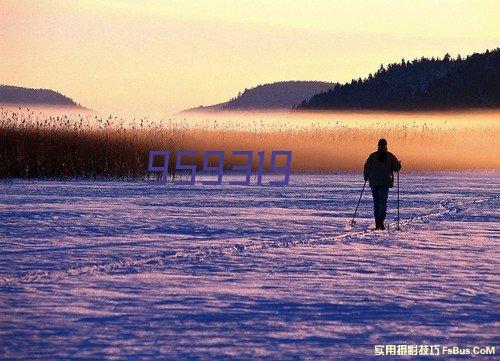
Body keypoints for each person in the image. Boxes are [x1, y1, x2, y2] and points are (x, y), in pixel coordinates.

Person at [363, 139, 401, 230]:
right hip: (385, 182)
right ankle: (381, 222)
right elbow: (396, 168)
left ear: (378, 145)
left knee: (376, 203)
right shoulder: (390, 156)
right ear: (386, 145)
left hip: (374, 182)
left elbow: (366, 167)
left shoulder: (372, 156)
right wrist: (399, 164)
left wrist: (366, 177)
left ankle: (377, 222)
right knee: (383, 202)